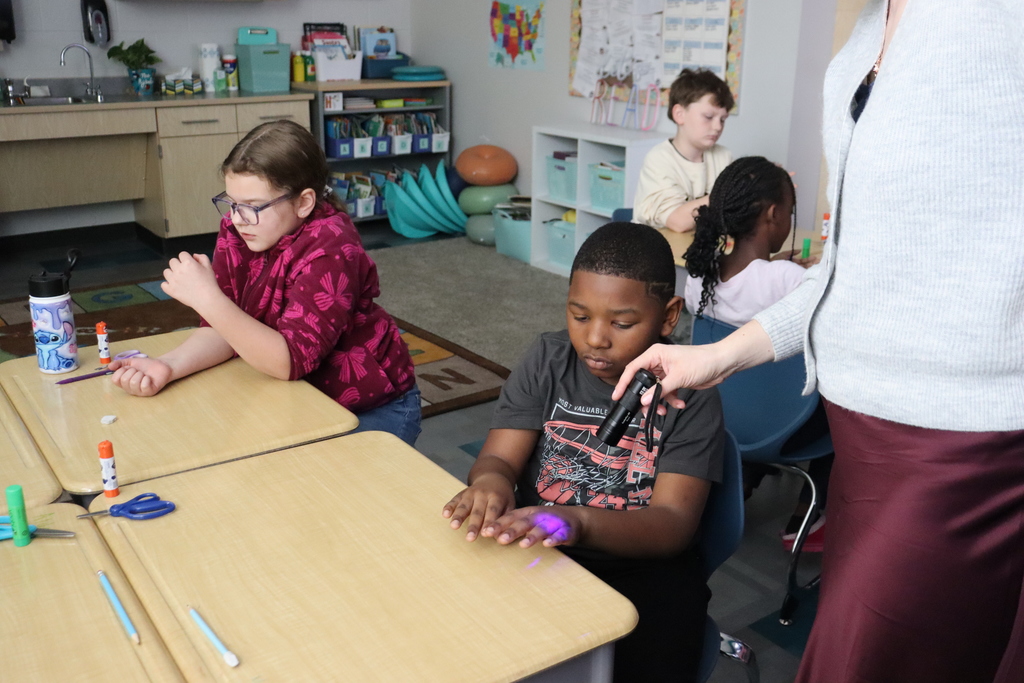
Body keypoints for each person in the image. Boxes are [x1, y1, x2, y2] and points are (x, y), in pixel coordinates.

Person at [614, 1, 1024, 681]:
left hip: (961, 444)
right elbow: (843, 273)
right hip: (862, 429)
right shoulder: (862, 43)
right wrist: (718, 354)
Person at [442, 222, 724, 683]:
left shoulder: (693, 394)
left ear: (669, 316)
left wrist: (579, 521)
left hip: (642, 569)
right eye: (579, 315)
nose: (595, 338)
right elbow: (499, 458)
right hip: (541, 550)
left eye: (622, 323)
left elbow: (673, 524)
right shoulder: (548, 358)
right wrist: (491, 481)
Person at [109, 120, 421, 446]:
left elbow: (290, 362)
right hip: (303, 398)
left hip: (372, 408)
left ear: (304, 202)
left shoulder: (331, 244)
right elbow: (225, 328)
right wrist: (168, 366)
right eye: (231, 203)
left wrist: (207, 298)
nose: (238, 218)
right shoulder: (240, 228)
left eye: (254, 207)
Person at [683, 155, 829, 548]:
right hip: (786, 423)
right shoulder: (789, 281)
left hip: (725, 416)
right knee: (842, 410)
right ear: (773, 214)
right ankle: (808, 515)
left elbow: (747, 283)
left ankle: (744, 475)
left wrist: (777, 266)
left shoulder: (700, 279)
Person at [632, 68, 734, 233]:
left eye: (723, 120)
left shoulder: (723, 156)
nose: (717, 127)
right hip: (653, 252)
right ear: (679, 114)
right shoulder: (659, 159)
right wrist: (733, 192)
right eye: (708, 117)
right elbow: (678, 222)